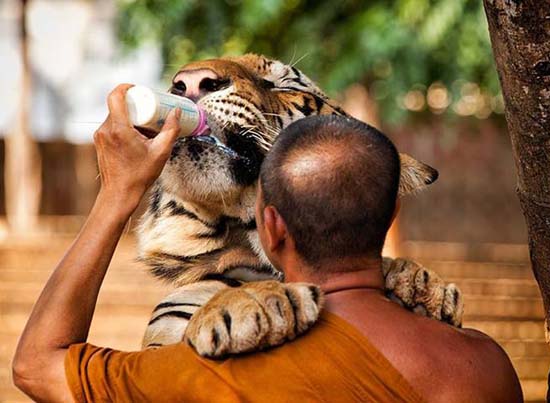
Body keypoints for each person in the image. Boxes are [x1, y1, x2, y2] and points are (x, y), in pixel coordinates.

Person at [12, 85, 522, 402]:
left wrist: (116, 195)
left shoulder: (210, 378)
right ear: (390, 215)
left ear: (271, 227)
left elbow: (35, 366)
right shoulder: (484, 367)